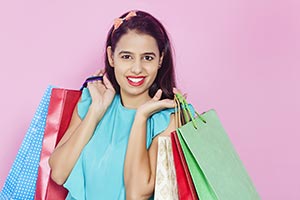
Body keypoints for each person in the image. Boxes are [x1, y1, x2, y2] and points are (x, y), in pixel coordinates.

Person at [49, 10, 189, 200]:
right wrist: (95, 111)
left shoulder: (169, 118)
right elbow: (58, 173)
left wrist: (141, 117)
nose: (137, 68)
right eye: (126, 56)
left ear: (160, 59)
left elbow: (137, 194)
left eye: (147, 57)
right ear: (111, 57)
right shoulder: (92, 100)